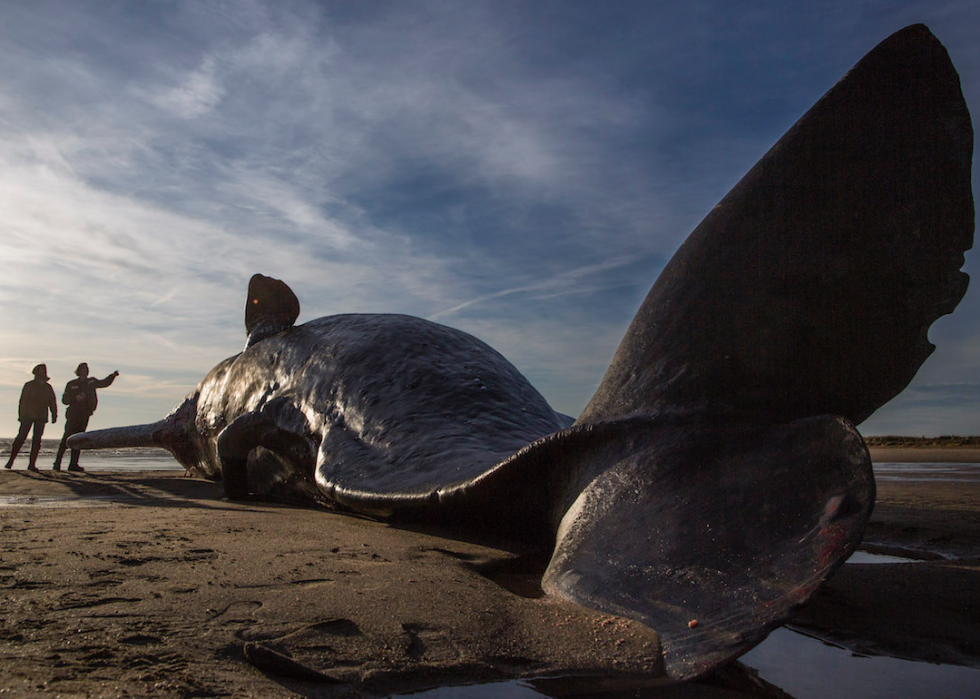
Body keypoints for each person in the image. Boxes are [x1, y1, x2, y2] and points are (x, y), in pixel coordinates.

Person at [53, 363, 119, 472]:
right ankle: (57, 463)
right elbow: (65, 400)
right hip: (73, 414)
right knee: (66, 438)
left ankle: (73, 464)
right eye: (83, 369)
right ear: (78, 371)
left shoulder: (91, 382)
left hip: (84, 414)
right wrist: (75, 398)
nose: (85, 371)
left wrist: (112, 376)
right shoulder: (71, 384)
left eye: (87, 369)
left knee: (79, 439)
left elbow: (104, 383)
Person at [4, 364, 58, 472]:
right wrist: (21, 415)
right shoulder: (29, 385)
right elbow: (22, 401)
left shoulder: (48, 387)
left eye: (44, 370)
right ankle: (11, 461)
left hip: (41, 416)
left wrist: (54, 414)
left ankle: (32, 464)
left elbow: (52, 402)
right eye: (40, 370)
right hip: (27, 416)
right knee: (21, 437)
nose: (42, 372)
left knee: (37, 440)